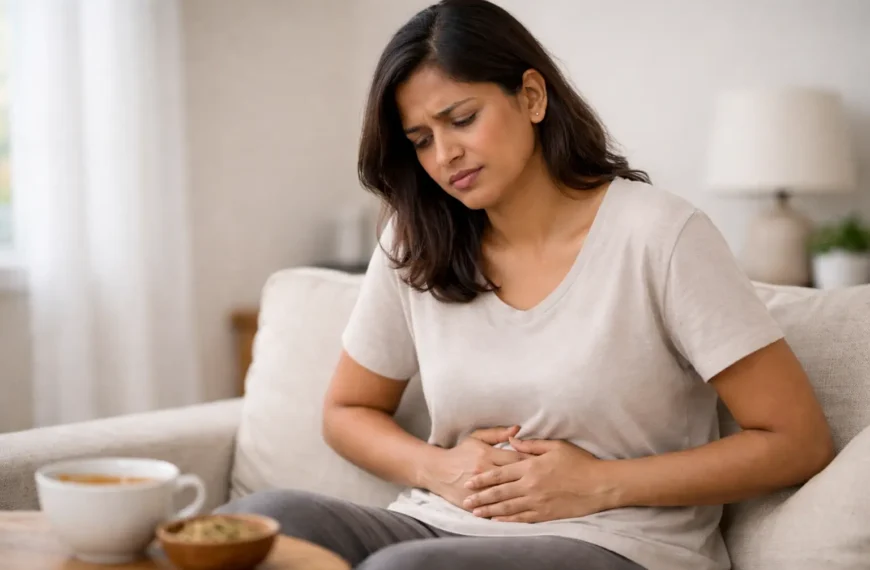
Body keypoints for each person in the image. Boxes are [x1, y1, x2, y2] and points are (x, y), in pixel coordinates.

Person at [216, 1, 834, 568]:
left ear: (532, 96)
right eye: (421, 140)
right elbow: (346, 411)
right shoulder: (416, 239)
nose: (444, 156)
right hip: (440, 525)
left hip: (617, 542)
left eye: (462, 119)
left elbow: (796, 440)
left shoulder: (660, 235)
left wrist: (598, 482)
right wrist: (441, 469)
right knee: (254, 524)